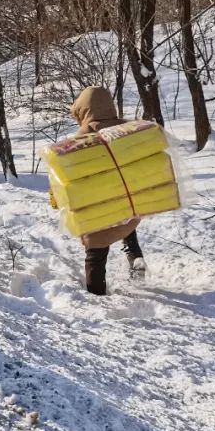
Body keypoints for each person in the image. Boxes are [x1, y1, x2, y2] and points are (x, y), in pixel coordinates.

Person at [70, 85, 147, 295]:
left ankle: (96, 294)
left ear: (84, 109)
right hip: (128, 198)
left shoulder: (82, 137)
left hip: (98, 206)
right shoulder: (126, 129)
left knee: (96, 250)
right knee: (126, 224)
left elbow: (73, 172)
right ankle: (135, 256)